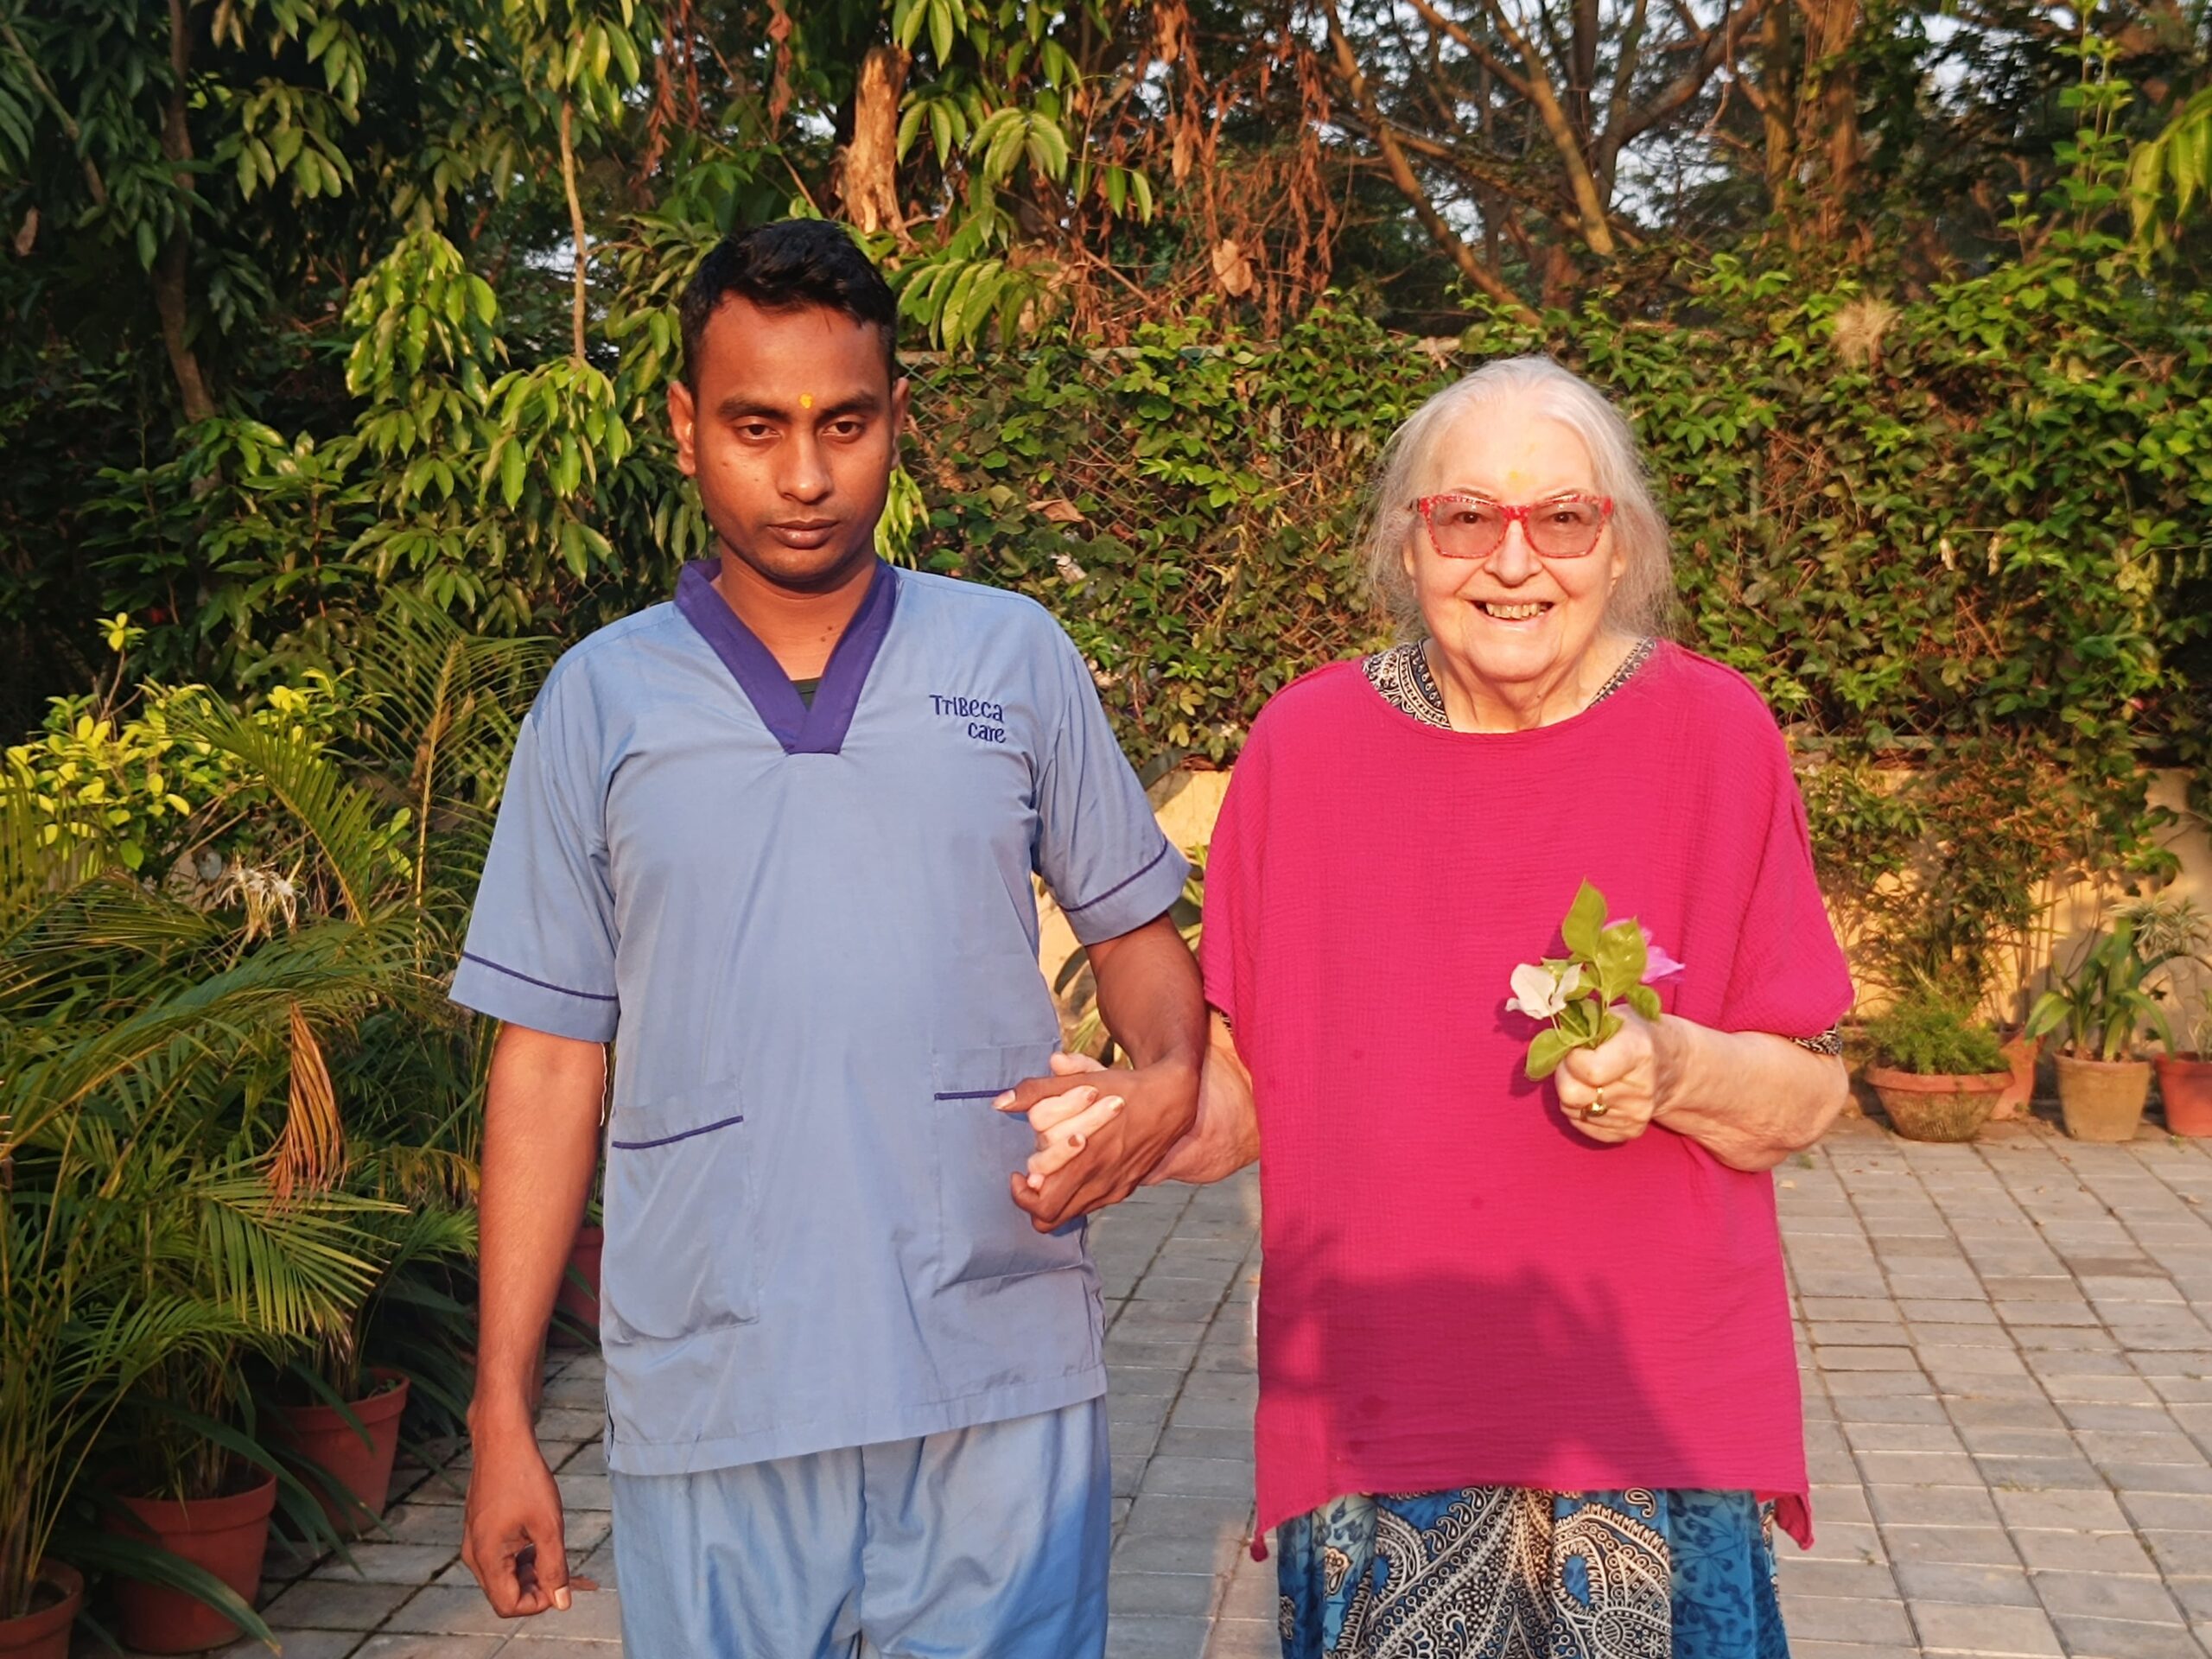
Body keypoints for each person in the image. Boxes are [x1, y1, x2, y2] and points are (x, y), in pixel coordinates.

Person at [450, 219, 1205, 1658]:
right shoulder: (599, 704)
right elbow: (546, 1064)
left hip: (996, 1366)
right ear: (685, 427)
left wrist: (1167, 1081)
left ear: (896, 421)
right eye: (756, 425)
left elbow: (1140, 941)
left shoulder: (1013, 656)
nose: (804, 476)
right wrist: (501, 1415)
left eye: (844, 424)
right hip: (720, 1389)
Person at [1019, 356, 1854, 1657]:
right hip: (1384, 1414)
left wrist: (1674, 1063)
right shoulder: (1306, 751)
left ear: (1619, 545)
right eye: (1467, 516)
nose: (1513, 561)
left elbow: (1806, 1088)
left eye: (1561, 518)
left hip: (1642, 1418)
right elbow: (1250, 1094)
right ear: (1408, 547)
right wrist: (1141, 1113)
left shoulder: (1718, 736)